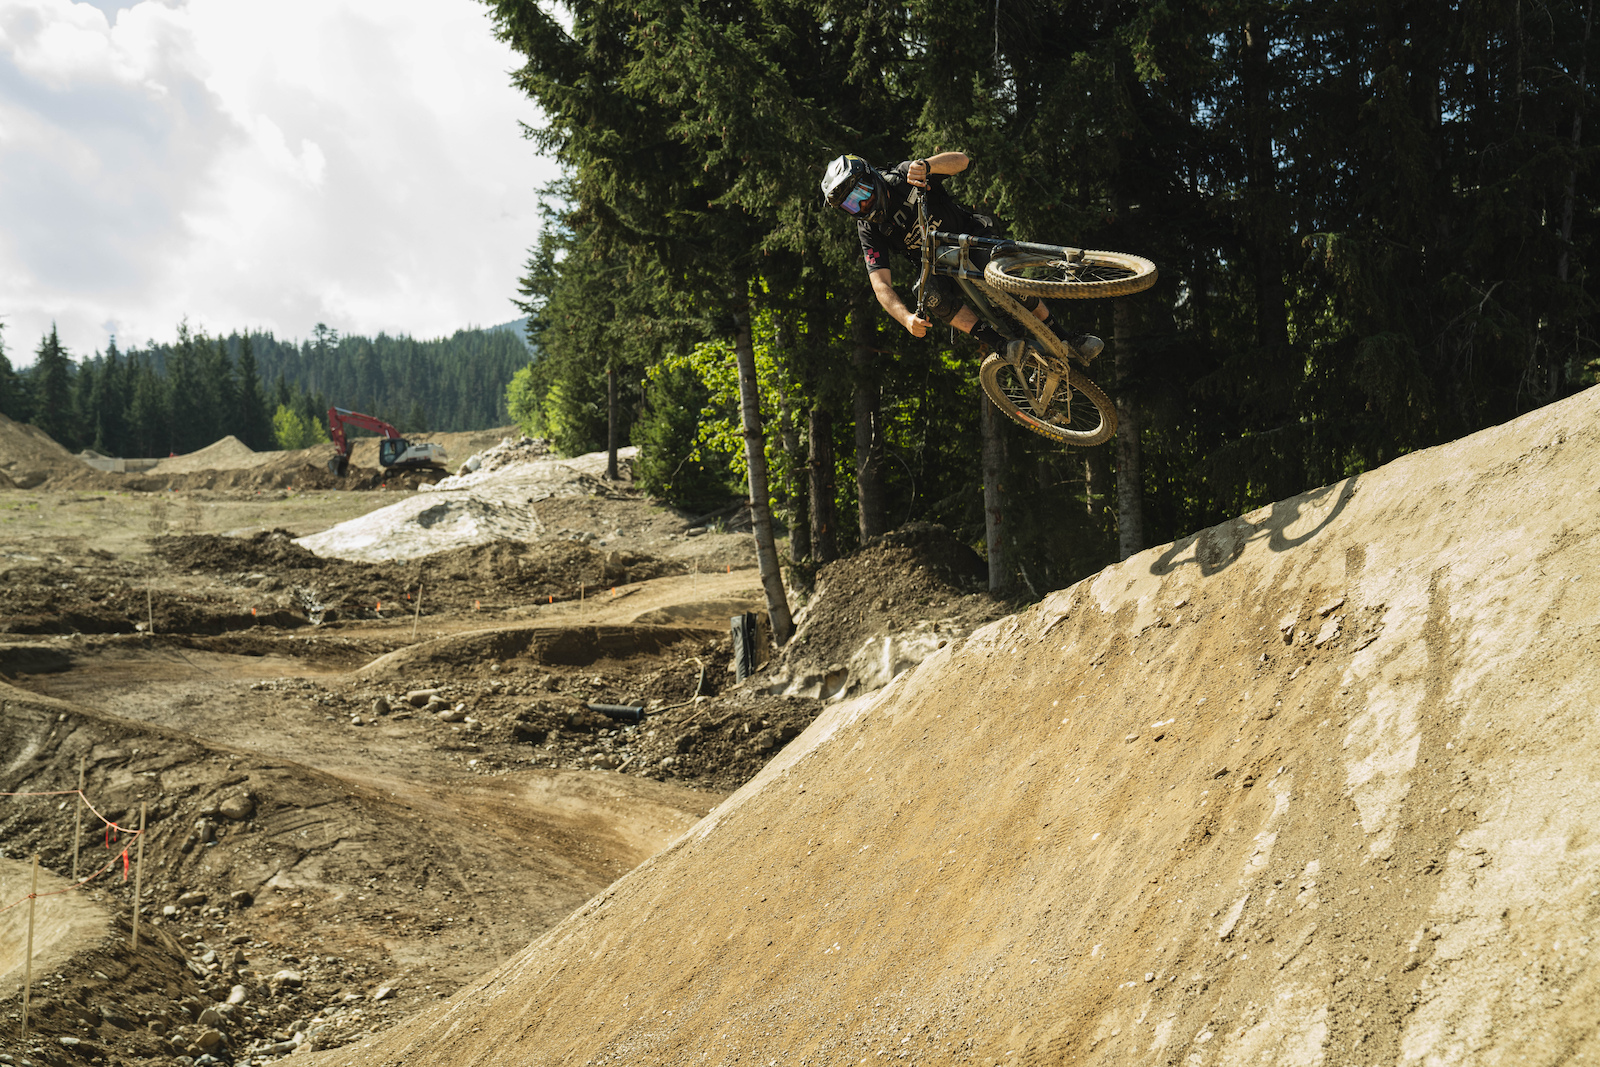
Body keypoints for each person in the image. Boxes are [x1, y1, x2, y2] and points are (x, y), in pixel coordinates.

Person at [819, 151, 1102, 360]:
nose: (864, 204)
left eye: (862, 192)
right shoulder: (869, 229)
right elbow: (881, 286)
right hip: (940, 267)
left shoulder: (903, 176)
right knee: (927, 293)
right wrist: (906, 319)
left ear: (872, 177)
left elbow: (963, 161)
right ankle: (1000, 346)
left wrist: (928, 166)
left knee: (998, 278)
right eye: (852, 204)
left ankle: (1066, 337)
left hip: (970, 237)